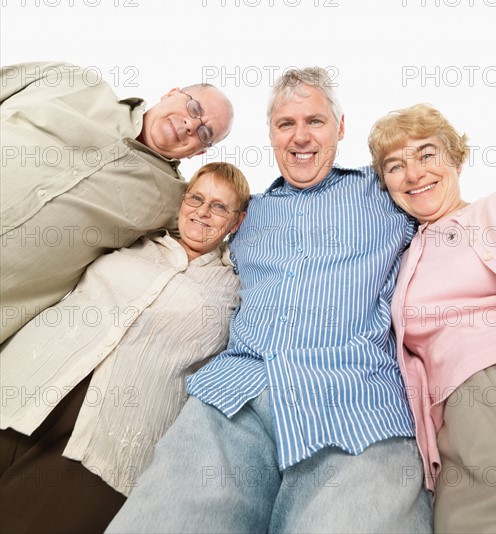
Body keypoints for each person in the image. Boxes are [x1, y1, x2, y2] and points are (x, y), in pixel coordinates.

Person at [106, 68, 433, 534]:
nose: (300, 136)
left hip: (355, 408)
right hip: (234, 403)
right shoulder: (245, 215)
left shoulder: (384, 193)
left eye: (315, 121)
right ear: (271, 134)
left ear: (341, 128)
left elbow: (448, 212)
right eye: (285, 124)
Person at [0, 162, 249, 533]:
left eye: (219, 206)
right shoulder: (134, 238)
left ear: (237, 222)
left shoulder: (237, 287)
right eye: (196, 197)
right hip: (27, 387)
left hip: (113, 437)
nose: (202, 210)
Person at [0, 61, 234, 343]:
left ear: (198, 153)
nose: (191, 124)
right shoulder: (72, 81)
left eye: (205, 134)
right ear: (171, 93)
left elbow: (220, 242)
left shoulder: (176, 202)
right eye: (194, 108)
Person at [367, 103, 496, 533]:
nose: (414, 173)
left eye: (427, 154)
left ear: (454, 158)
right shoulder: (402, 254)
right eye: (396, 165)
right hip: (450, 413)